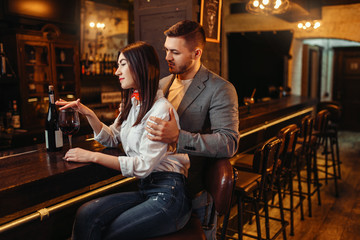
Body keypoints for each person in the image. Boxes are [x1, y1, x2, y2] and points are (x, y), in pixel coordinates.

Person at [56, 41, 192, 240]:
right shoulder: (133, 104)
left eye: (122, 64)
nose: (116, 71)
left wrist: (93, 156)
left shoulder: (161, 110)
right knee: (86, 214)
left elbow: (143, 166)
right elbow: (111, 137)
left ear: (140, 67)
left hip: (169, 195)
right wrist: (88, 113)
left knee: (111, 234)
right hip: (146, 189)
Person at [145, 20, 240, 239]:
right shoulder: (160, 85)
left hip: (192, 192)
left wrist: (179, 137)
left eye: (175, 52)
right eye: (166, 50)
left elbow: (229, 142)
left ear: (196, 53)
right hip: (153, 184)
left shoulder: (221, 89)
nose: (167, 57)